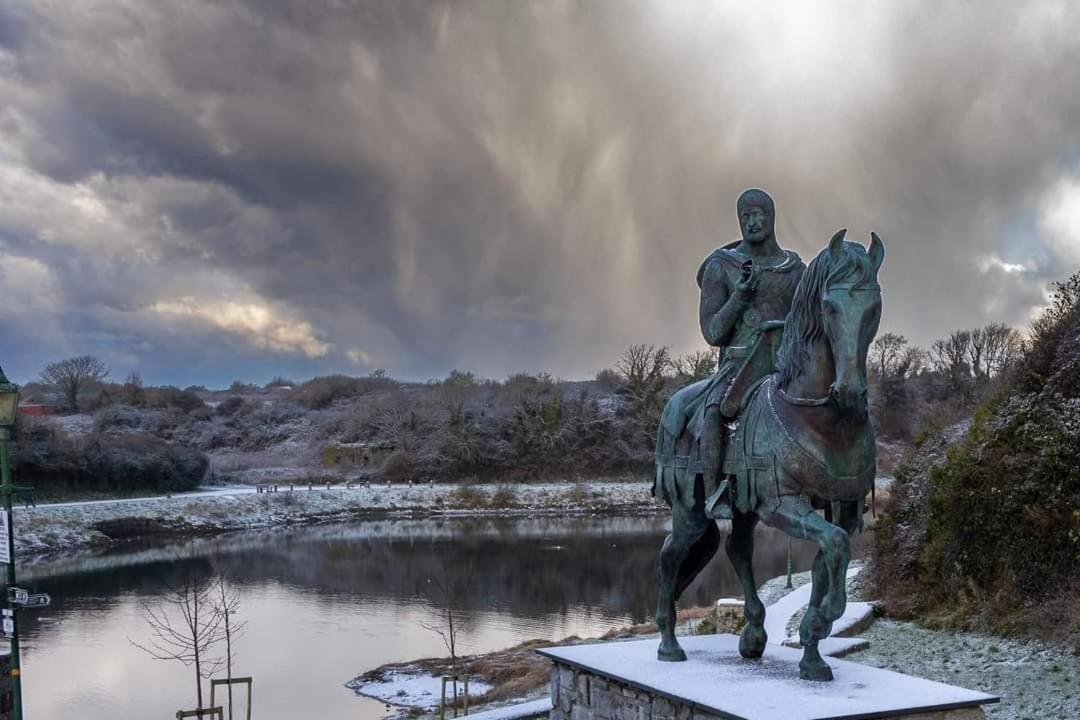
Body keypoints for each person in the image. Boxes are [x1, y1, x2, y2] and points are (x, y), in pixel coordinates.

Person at [654, 188, 805, 518]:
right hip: (740, 365)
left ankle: (833, 482)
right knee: (716, 408)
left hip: (788, 365)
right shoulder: (722, 266)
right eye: (745, 217)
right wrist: (738, 297)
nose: (752, 222)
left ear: (771, 216)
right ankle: (715, 492)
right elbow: (713, 333)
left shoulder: (794, 268)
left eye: (757, 214)